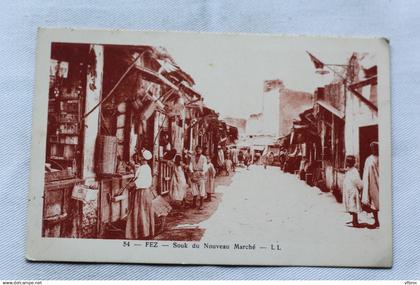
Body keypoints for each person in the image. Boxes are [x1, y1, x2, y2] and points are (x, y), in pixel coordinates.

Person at [125, 149, 155, 239]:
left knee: (140, 211)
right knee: (144, 212)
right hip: (145, 192)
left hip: (141, 192)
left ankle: (141, 233)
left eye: (139, 156)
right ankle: (145, 232)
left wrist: (131, 184)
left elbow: (141, 181)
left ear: (142, 158)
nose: (138, 158)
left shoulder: (144, 168)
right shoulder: (146, 167)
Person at [362, 142, 380, 229]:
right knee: (374, 202)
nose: (374, 150)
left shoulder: (382, 157)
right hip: (372, 183)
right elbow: (366, 173)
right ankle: (376, 221)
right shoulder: (369, 159)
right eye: (372, 148)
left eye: (375, 148)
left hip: (381, 182)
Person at [342, 155, 363, 228]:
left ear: (351, 163)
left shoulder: (354, 171)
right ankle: (354, 220)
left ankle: (355, 221)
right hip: (349, 190)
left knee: (353, 205)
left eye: (347, 162)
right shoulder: (349, 170)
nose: (346, 163)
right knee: (351, 205)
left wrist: (360, 188)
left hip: (353, 191)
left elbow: (357, 181)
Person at [189, 146, 208, 210]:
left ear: (201, 150)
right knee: (194, 188)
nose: (198, 151)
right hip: (194, 173)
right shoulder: (192, 157)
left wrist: (203, 172)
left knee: (202, 189)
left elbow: (205, 166)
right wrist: (191, 171)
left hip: (201, 173)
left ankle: (201, 204)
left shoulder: (203, 158)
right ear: (195, 150)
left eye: (199, 150)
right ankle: (194, 204)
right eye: (197, 150)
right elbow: (190, 165)